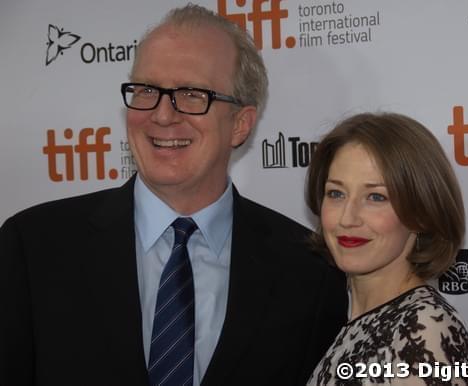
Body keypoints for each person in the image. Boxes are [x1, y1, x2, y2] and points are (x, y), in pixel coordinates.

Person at [0, 4, 346, 386]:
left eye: (193, 94)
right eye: (147, 90)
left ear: (240, 124)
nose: (162, 115)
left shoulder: (309, 271)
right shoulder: (34, 248)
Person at [305, 112, 468, 385]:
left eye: (376, 197)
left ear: (422, 212)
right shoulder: (355, 318)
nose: (347, 218)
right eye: (336, 194)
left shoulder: (423, 331)